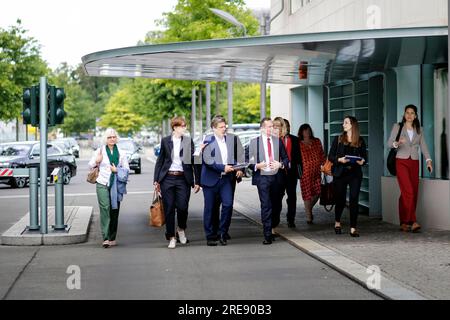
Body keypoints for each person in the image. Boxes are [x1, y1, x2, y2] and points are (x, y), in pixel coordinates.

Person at [154, 117, 201, 249]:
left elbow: (193, 161)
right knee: (169, 209)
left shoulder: (187, 141)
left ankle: (181, 229)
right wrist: (156, 180)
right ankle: (171, 237)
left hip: (183, 179)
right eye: (182, 126)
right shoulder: (165, 141)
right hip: (167, 178)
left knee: (182, 207)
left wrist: (197, 181)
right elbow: (160, 161)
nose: (184, 128)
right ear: (174, 127)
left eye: (185, 126)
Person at [387, 104, 432, 233]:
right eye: (407, 112)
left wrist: (428, 160)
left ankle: (403, 222)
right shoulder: (398, 127)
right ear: (404, 114)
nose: (409, 115)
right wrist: (397, 143)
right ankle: (412, 221)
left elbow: (423, 146)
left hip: (414, 162)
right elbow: (389, 143)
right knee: (409, 192)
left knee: (411, 192)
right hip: (401, 161)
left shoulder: (419, 129)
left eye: (412, 113)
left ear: (415, 116)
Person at [201, 115, 244, 246]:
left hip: (226, 180)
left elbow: (238, 156)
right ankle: (210, 236)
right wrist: (223, 167)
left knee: (228, 205)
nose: (224, 129)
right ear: (213, 128)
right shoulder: (207, 141)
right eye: (221, 127)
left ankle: (222, 232)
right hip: (210, 180)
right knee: (210, 208)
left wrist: (239, 168)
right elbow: (208, 161)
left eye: (225, 126)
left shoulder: (231, 140)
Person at [246, 118, 289, 245]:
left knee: (276, 205)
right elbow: (246, 159)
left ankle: (273, 225)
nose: (271, 129)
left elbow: (286, 159)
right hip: (262, 177)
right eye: (268, 127)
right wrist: (256, 166)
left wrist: (280, 164)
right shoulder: (254, 142)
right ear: (262, 129)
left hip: (277, 177)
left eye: (272, 127)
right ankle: (267, 234)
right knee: (266, 205)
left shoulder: (278, 142)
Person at [89, 128, 130, 248]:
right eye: (109, 137)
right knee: (105, 208)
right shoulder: (100, 151)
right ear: (105, 139)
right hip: (102, 183)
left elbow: (126, 170)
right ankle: (105, 237)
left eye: (113, 137)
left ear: (116, 138)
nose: (112, 139)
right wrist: (97, 161)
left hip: (116, 185)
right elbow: (90, 165)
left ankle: (112, 237)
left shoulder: (122, 153)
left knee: (114, 210)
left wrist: (116, 170)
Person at [328, 116, 367, 237]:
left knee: (354, 199)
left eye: (346, 122)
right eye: (343, 122)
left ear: (352, 125)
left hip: (355, 173)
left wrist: (362, 161)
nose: (343, 125)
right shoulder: (338, 139)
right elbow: (330, 156)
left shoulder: (360, 140)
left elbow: (364, 157)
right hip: (340, 173)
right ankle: (337, 222)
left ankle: (353, 228)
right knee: (340, 199)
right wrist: (339, 159)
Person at [298, 123, 325, 224]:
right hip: (305, 173)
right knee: (307, 193)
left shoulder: (316, 141)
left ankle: (308, 209)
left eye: (308, 130)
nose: (307, 132)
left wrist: (324, 166)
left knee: (318, 192)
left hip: (316, 172)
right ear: (301, 132)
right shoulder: (298, 143)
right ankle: (309, 217)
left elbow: (322, 154)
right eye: (305, 130)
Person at [283, 118, 302, 228]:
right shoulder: (276, 139)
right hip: (279, 173)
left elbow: (299, 158)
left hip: (291, 173)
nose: (287, 128)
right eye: (284, 126)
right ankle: (275, 219)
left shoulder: (295, 140)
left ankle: (291, 219)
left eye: (288, 126)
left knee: (292, 197)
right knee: (277, 197)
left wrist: (300, 173)